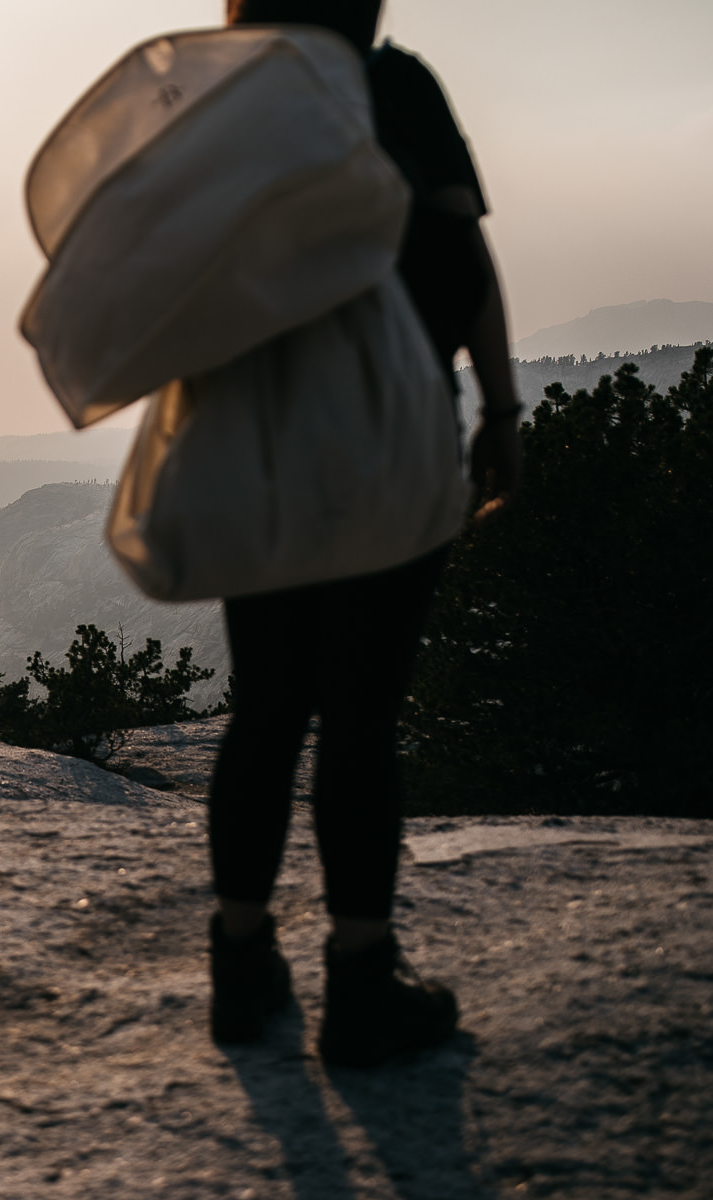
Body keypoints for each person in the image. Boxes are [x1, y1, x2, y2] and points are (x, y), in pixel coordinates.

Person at [205, 0, 524, 1067]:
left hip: (263, 447)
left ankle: (240, 966)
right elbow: (463, 257)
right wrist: (504, 412)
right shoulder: (397, 87)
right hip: (394, 435)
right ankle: (361, 981)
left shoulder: (230, 100)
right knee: (360, 712)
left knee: (267, 707)